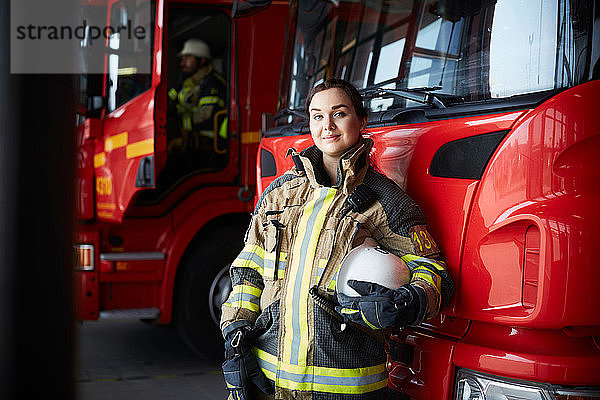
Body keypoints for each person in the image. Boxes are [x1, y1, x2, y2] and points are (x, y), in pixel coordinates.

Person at [220, 78, 454, 399]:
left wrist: (407, 303)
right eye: (317, 116)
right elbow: (249, 270)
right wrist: (235, 333)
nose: (327, 125)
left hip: (344, 389)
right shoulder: (279, 195)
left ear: (361, 121)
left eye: (339, 114)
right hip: (268, 381)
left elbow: (433, 272)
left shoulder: (386, 200)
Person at [167, 38, 227, 156]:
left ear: (202, 60)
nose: (182, 63)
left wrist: (179, 125)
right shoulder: (186, 81)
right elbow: (168, 99)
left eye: (188, 58)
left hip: (206, 141)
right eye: (182, 59)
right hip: (189, 133)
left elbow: (207, 116)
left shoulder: (212, 83)